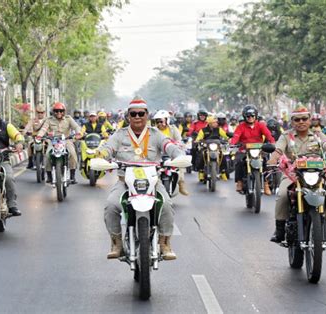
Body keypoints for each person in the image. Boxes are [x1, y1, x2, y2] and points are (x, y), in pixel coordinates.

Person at [97, 97, 185, 260]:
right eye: (133, 114)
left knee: (166, 205)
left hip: (153, 181)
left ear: (147, 115)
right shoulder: (120, 134)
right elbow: (108, 147)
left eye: (141, 113)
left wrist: (178, 155)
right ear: (128, 116)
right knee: (110, 205)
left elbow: (169, 146)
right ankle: (116, 243)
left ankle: (165, 243)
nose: (137, 117)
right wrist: (101, 155)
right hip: (125, 182)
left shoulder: (156, 134)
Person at [267, 105, 326, 244]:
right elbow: (278, 150)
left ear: (310, 120)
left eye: (304, 118)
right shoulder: (286, 136)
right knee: (282, 195)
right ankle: (279, 229)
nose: (301, 122)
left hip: (316, 175)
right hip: (292, 174)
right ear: (292, 122)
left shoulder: (317, 135)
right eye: (297, 119)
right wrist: (273, 158)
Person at [230, 105, 275, 195]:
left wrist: (273, 143)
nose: (250, 118)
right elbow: (236, 136)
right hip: (244, 150)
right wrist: (232, 143)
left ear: (256, 116)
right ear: (245, 117)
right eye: (248, 116)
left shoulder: (260, 125)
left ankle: (266, 184)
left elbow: (268, 135)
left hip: (259, 150)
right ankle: (239, 182)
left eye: (252, 116)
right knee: (238, 161)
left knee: (267, 162)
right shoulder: (241, 126)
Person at [36, 102, 82, 184]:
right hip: (53, 141)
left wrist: (78, 133)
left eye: (61, 111)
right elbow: (44, 129)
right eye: (56, 111)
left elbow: (76, 126)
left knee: (72, 153)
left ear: (64, 111)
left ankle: (72, 175)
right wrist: (39, 136)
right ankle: (49, 176)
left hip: (66, 140)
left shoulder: (68, 119)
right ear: (53, 112)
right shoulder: (49, 120)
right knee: (47, 155)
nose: (59, 113)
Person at [154, 109, 189, 196]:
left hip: (171, 154)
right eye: (157, 122)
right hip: (157, 155)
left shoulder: (173, 129)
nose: (159, 124)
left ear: (167, 120)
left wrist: (179, 145)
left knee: (180, 164)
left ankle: (181, 185)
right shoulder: (153, 130)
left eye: (161, 121)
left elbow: (179, 141)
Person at [195, 115, 229, 181]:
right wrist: (197, 140)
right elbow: (199, 138)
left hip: (216, 147)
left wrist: (228, 139)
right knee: (201, 155)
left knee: (222, 155)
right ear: (210, 123)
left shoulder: (219, 129)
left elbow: (225, 136)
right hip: (206, 147)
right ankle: (201, 171)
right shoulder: (203, 130)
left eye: (216, 122)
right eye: (214, 122)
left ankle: (223, 172)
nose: (216, 123)